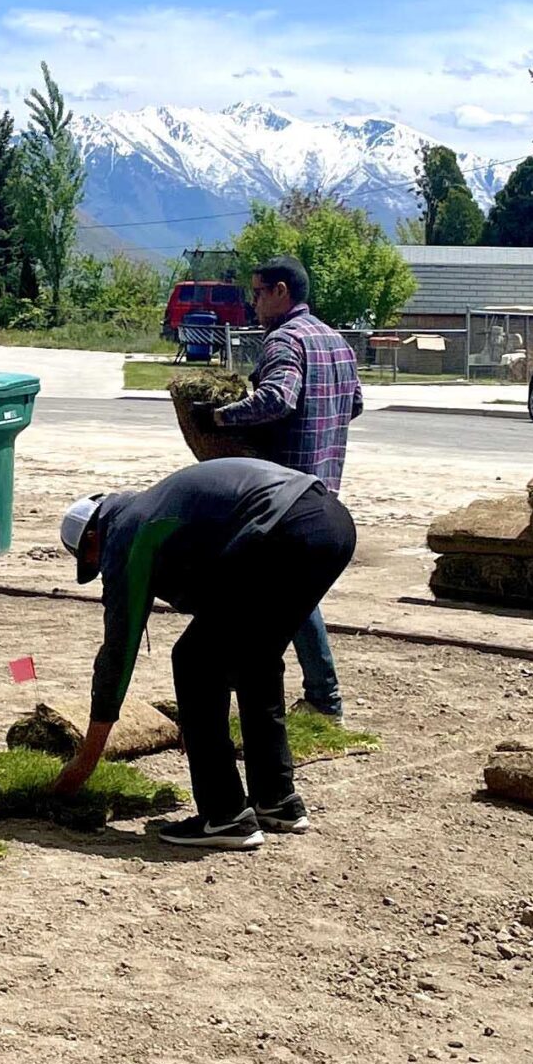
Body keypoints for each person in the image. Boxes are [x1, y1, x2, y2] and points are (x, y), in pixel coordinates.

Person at [53, 457, 355, 849]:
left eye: (90, 562)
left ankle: (225, 815)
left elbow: (118, 651)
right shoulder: (158, 507)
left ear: (93, 536)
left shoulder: (127, 530)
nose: (100, 569)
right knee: (256, 658)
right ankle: (277, 800)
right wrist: (202, 720)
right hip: (331, 523)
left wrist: (85, 760)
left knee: (194, 661)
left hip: (283, 528)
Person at [196, 254, 362, 720]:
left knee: (279, 593)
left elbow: (277, 398)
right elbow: (355, 404)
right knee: (295, 592)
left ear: (281, 292)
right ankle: (316, 697)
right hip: (324, 487)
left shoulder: (285, 340)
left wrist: (221, 416)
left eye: (258, 292)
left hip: (283, 493)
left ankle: (317, 698)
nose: (253, 303)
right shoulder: (336, 341)